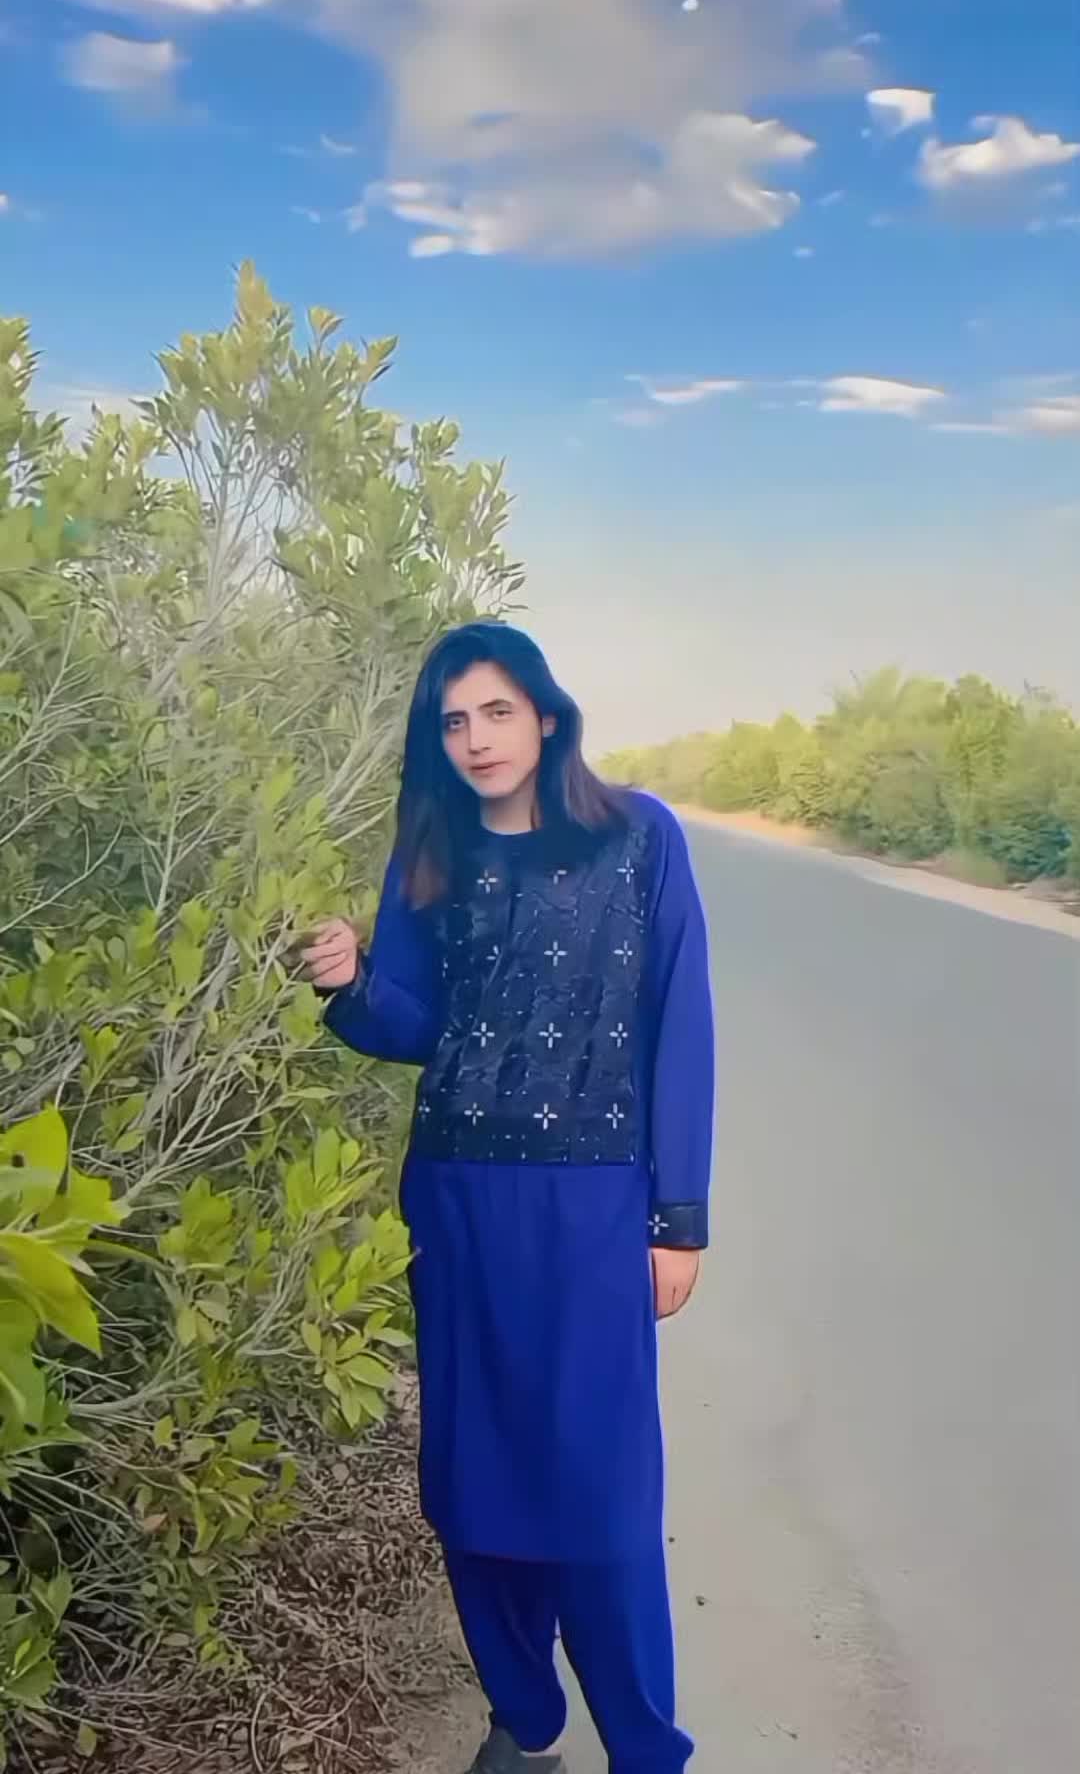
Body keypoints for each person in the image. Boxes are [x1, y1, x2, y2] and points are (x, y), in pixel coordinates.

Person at [302, 621, 715, 1774]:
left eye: (494, 711)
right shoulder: (432, 855)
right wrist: (351, 983)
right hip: (458, 1204)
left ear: (544, 714)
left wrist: (678, 1218)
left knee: (600, 1495)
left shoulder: (639, 837)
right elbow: (417, 1025)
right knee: (474, 1484)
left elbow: (682, 1026)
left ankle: (646, 1749)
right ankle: (525, 1719)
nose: (476, 739)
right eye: (453, 721)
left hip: (591, 1212)